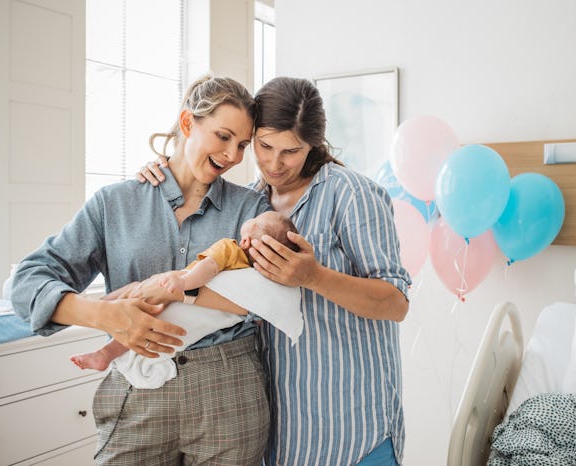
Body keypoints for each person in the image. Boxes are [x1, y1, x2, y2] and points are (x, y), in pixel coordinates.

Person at [138, 77, 412, 466]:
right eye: (264, 146)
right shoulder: (248, 202)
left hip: (353, 431)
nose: (274, 163)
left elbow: (396, 302)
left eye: (291, 151)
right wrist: (156, 174)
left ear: (313, 145)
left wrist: (314, 277)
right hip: (280, 434)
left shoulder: (349, 194)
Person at [11, 75, 273, 465]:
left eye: (242, 145)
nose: (233, 156)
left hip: (229, 393)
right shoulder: (114, 204)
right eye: (222, 137)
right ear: (188, 124)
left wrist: (179, 289)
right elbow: (26, 282)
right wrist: (104, 314)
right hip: (137, 393)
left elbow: (266, 295)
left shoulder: (251, 210)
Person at [70, 210, 298, 376]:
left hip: (176, 293)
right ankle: (105, 346)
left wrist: (184, 281)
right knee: (142, 322)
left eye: (256, 220)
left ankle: (100, 310)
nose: (253, 216)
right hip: (197, 315)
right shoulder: (255, 274)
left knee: (135, 297)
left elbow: (208, 267)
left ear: (246, 241)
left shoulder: (230, 247)